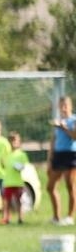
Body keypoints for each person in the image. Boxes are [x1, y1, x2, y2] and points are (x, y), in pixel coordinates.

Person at [50, 94, 75, 226]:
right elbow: (53, 140)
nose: (63, 108)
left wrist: (64, 127)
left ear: (70, 106)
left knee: (70, 186)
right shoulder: (57, 121)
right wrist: (50, 158)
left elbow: (75, 136)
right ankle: (56, 217)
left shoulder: (73, 120)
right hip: (58, 155)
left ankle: (70, 217)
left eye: (65, 105)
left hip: (70, 154)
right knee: (50, 187)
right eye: (61, 106)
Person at [2, 132, 30, 225]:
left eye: (15, 140)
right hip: (8, 182)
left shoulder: (21, 155)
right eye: (11, 141)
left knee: (18, 201)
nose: (13, 143)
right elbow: (3, 165)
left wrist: (18, 167)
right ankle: (7, 218)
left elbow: (23, 166)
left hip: (17, 182)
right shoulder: (6, 155)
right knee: (7, 202)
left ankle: (20, 218)